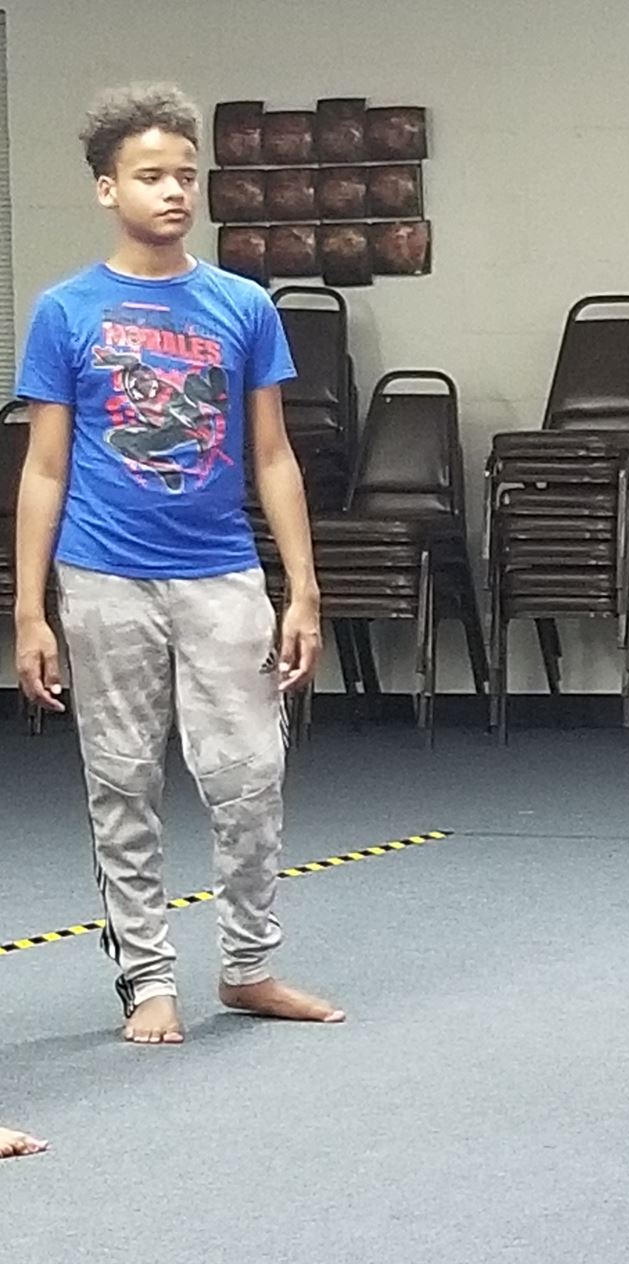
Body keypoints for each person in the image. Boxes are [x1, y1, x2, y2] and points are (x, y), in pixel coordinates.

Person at [12, 83, 337, 1046]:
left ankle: (249, 966)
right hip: (103, 576)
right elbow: (44, 467)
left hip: (221, 572)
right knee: (122, 782)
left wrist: (303, 589)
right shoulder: (66, 311)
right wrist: (29, 610)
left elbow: (272, 456)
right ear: (107, 188)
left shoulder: (242, 305)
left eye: (187, 176)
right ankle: (147, 977)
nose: (174, 192)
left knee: (250, 773)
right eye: (151, 176)